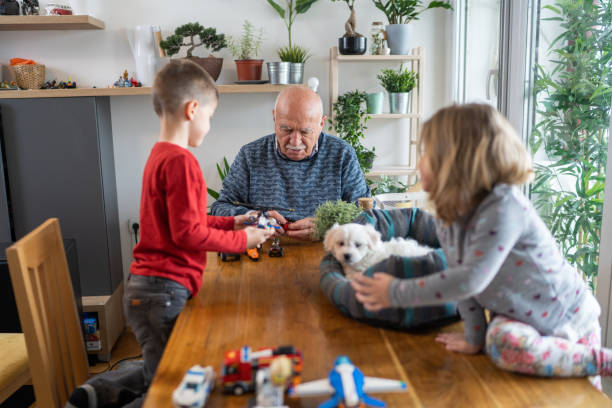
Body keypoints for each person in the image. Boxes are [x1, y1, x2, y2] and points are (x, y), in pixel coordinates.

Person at [351, 103, 612, 388]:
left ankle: (604, 361)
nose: (419, 162)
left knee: (575, 395)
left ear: (455, 160)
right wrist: (475, 339)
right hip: (518, 317)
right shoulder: (448, 214)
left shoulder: (504, 206)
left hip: (566, 318)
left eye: (426, 153)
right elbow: (461, 274)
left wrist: (396, 292)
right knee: (498, 345)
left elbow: (469, 280)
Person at [67, 60, 273, 408]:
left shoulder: (159, 155)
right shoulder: (183, 162)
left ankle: (99, 393)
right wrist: (244, 241)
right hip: (161, 292)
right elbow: (188, 235)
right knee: (169, 390)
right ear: (193, 110)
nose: (208, 126)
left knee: (160, 369)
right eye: (210, 116)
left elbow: (182, 222)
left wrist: (232, 223)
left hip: (149, 288)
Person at [210, 85, 370, 240]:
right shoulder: (250, 155)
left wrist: (327, 225)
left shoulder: (342, 154)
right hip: (263, 250)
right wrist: (251, 218)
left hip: (328, 251)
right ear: (274, 118)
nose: (295, 141)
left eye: (305, 131)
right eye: (286, 129)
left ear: (321, 124)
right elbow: (220, 208)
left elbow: (366, 214)